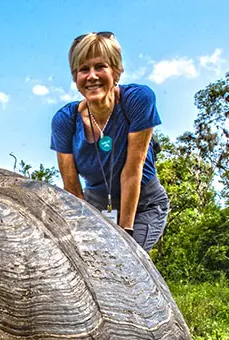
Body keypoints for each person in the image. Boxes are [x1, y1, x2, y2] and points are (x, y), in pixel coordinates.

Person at [50, 32, 170, 252]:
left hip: (143, 205)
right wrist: (82, 238)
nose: (92, 76)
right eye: (84, 69)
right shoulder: (65, 120)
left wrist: (125, 234)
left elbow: (133, 170)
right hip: (95, 208)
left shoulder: (138, 100)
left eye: (100, 67)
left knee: (127, 262)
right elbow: (73, 188)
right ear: (75, 78)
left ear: (116, 71)